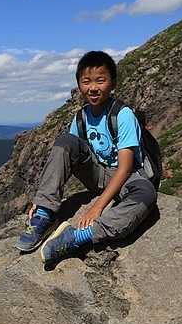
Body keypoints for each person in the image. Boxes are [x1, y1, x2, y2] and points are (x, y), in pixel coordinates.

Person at [16, 50, 158, 265]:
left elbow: (125, 168)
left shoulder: (123, 115)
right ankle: (44, 215)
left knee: (147, 194)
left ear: (113, 84)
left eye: (100, 80)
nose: (93, 88)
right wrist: (41, 199)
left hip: (126, 178)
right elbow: (69, 153)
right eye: (86, 81)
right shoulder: (81, 117)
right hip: (97, 173)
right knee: (65, 140)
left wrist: (97, 207)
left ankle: (77, 237)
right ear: (79, 85)